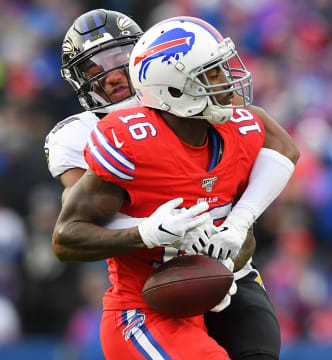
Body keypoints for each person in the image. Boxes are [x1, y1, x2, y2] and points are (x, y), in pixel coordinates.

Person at [51, 15, 299, 359]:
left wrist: (236, 225)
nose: (111, 75)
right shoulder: (110, 137)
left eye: (119, 57)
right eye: (94, 69)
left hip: (226, 277)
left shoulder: (222, 115)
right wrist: (154, 231)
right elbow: (77, 223)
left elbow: (282, 151)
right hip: (152, 288)